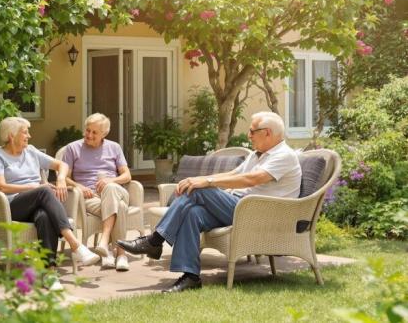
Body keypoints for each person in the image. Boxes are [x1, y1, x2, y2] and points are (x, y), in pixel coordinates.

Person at [117, 111, 301, 293]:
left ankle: (155, 241)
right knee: (192, 213)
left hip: (259, 213)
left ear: (267, 132)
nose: (249, 135)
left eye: (252, 131)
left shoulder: (284, 155)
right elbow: (233, 175)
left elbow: (252, 179)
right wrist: (201, 178)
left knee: (199, 189)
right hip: (240, 207)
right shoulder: (257, 154)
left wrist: (205, 182)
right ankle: (191, 277)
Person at [0, 116, 100, 290]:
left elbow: (62, 165)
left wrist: (61, 179)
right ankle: (75, 244)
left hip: (36, 202)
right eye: (25, 132)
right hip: (11, 206)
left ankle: (50, 274)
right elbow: (1, 186)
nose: (29, 136)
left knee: (44, 216)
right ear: (11, 136)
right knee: (45, 189)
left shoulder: (31, 151)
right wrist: (32, 187)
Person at [63, 113, 133, 271]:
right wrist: (79, 186)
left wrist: (111, 180)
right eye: (87, 130)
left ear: (104, 133)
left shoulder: (114, 147)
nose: (89, 135)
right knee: (120, 208)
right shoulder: (73, 148)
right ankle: (120, 254)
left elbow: (127, 175)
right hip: (90, 197)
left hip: (116, 190)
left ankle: (104, 241)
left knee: (111, 188)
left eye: (94, 132)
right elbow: (64, 178)